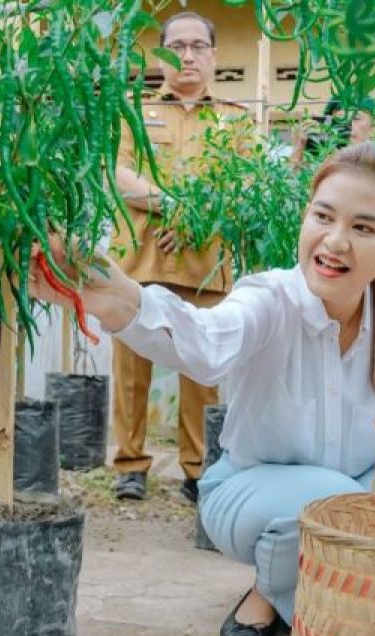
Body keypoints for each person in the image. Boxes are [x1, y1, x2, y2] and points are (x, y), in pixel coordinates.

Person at [31, 142, 375, 636]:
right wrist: (116, 295)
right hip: (251, 495)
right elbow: (204, 341)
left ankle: (316, 595)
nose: (335, 241)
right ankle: (270, 591)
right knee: (335, 504)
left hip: (359, 491)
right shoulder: (271, 299)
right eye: (323, 216)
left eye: (363, 228)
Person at [111, 11, 249, 503]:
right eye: (177, 46)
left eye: (197, 46)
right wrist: (173, 206)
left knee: (200, 369)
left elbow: (240, 185)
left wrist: (192, 222)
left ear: (213, 55)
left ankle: (197, 468)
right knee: (132, 368)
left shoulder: (235, 119)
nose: (187, 55)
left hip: (202, 262)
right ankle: (130, 465)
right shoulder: (134, 112)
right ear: (162, 55)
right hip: (140, 261)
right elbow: (118, 174)